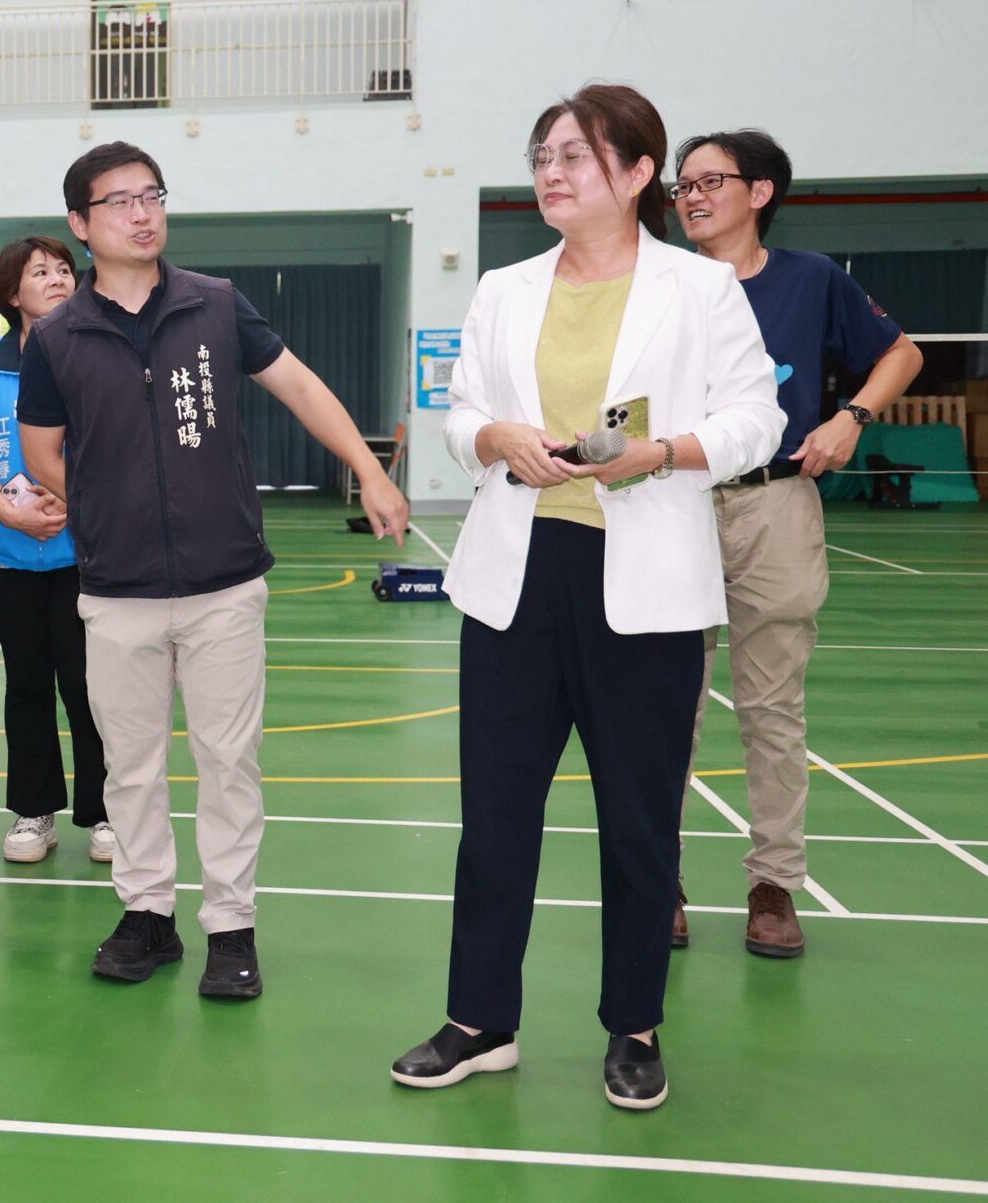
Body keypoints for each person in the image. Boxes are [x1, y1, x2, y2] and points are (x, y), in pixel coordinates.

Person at [390, 85, 784, 1111]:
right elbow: (461, 412)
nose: (551, 173)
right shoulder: (503, 287)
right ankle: (479, 1020)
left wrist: (663, 452)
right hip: (515, 578)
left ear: (639, 172)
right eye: (542, 157)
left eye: (574, 156)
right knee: (495, 815)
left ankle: (634, 1026)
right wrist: (493, 437)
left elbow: (757, 418)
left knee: (639, 820)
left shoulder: (699, 288)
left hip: (644, 586)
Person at [20, 141, 409, 1002]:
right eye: (119, 201)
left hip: (223, 582)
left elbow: (299, 387)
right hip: (116, 588)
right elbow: (41, 449)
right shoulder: (57, 337)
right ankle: (146, 912)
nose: (142, 213)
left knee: (229, 761)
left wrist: (371, 469)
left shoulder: (217, 304)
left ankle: (231, 925)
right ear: (81, 223)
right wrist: (105, 506)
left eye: (152, 195)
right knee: (130, 765)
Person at [670, 129, 921, 958]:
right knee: (662, 706)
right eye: (682, 185)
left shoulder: (811, 279)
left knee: (773, 706)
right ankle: (655, 876)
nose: (692, 196)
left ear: (761, 192)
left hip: (774, 506)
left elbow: (902, 352)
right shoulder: (658, 285)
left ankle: (773, 882)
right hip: (671, 504)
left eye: (710, 180)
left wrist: (852, 418)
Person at [0, 236, 110, 864]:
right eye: (40, 272)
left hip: (85, 551)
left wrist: (75, 504)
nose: (57, 279)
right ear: (12, 294)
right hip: (6, 551)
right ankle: (33, 812)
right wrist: (6, 509)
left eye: (65, 269)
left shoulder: (98, 356)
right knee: (26, 682)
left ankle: (105, 812)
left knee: (90, 684)